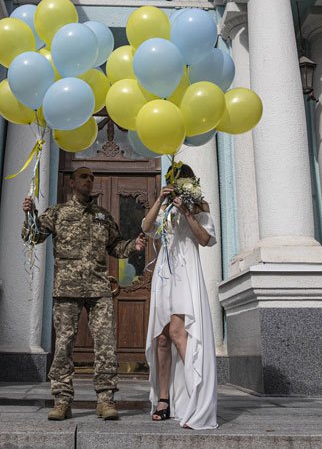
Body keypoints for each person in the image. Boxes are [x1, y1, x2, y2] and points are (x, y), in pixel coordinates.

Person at [22, 166, 146, 422]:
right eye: (83, 176)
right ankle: (62, 400)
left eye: (91, 177)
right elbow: (32, 236)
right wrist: (30, 214)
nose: (89, 180)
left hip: (99, 289)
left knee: (106, 344)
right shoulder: (57, 212)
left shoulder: (102, 216)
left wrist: (133, 245)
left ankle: (105, 399)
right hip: (67, 289)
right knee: (64, 344)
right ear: (72, 183)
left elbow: (115, 246)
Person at [141, 162, 218, 430]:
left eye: (181, 180)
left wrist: (186, 212)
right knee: (162, 337)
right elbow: (147, 227)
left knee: (177, 332)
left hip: (186, 271)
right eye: (173, 180)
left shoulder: (200, 208)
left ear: (191, 183)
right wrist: (160, 200)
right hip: (165, 272)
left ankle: (198, 396)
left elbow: (205, 240)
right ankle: (164, 399)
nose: (176, 184)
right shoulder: (164, 208)